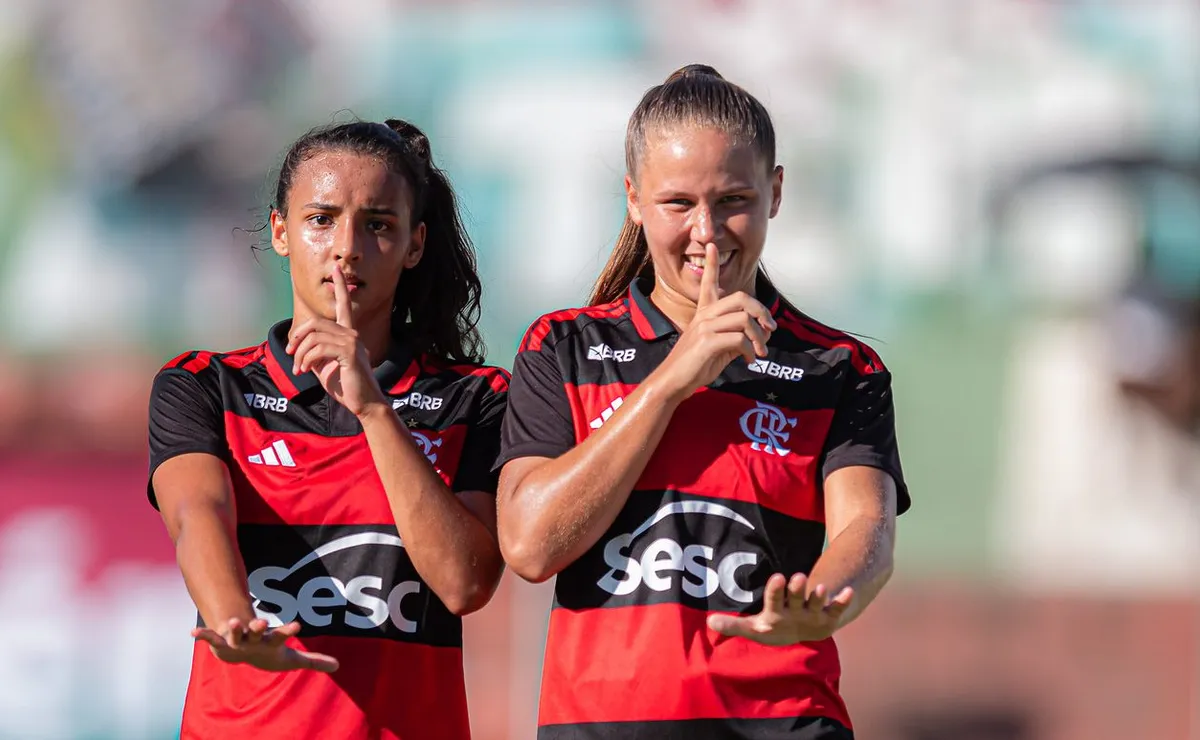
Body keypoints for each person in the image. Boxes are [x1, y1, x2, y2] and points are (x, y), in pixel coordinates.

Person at [495, 65, 909, 739]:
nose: (708, 231)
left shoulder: (840, 368)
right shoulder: (562, 348)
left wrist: (823, 600)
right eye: (678, 203)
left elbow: (868, 534)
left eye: (733, 199)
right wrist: (671, 381)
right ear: (633, 199)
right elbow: (531, 546)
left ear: (775, 193)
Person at [147, 119, 508, 739]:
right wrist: (237, 624)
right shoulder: (205, 385)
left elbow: (464, 583)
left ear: (414, 244)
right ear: (281, 232)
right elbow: (196, 515)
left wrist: (373, 409)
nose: (346, 248)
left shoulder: (476, 396)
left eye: (377, 224)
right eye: (321, 219)